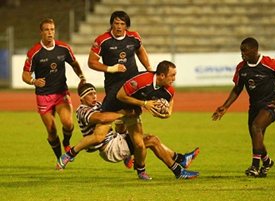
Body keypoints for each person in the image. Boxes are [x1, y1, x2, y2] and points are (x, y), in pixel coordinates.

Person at [58, 83, 199, 179]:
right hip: (109, 148)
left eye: (95, 93)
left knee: (146, 137)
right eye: (90, 94)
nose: (94, 96)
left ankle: (180, 159)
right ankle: (178, 170)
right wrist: (123, 113)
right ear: (82, 97)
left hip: (115, 139)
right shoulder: (82, 110)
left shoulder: (98, 104)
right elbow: (102, 118)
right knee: (152, 141)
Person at [212, 37, 275, 177]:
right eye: (241, 52)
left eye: (246, 52)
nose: (243, 55)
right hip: (254, 106)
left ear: (255, 50)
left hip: (272, 104)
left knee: (256, 127)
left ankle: (254, 167)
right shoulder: (241, 67)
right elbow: (237, 89)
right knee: (256, 136)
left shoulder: (269, 63)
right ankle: (267, 162)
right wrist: (225, 106)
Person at [87, 10, 153, 179]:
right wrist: (111, 68)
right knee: (117, 120)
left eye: (122, 24)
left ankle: (139, 168)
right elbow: (91, 62)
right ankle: (82, 147)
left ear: (126, 25)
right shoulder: (102, 40)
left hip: (133, 88)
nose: (119, 27)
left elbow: (140, 51)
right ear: (112, 24)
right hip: (114, 90)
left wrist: (147, 68)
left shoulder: (134, 37)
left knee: (134, 117)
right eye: (116, 23)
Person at [22, 18, 86, 163]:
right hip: (43, 95)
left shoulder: (63, 48)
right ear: (41, 32)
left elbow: (74, 63)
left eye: (52, 29)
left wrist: (82, 76)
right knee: (51, 130)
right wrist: (33, 81)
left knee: (68, 123)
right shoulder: (34, 52)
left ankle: (66, 143)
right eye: (46, 29)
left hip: (61, 93)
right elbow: (25, 74)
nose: (50, 32)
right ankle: (59, 158)